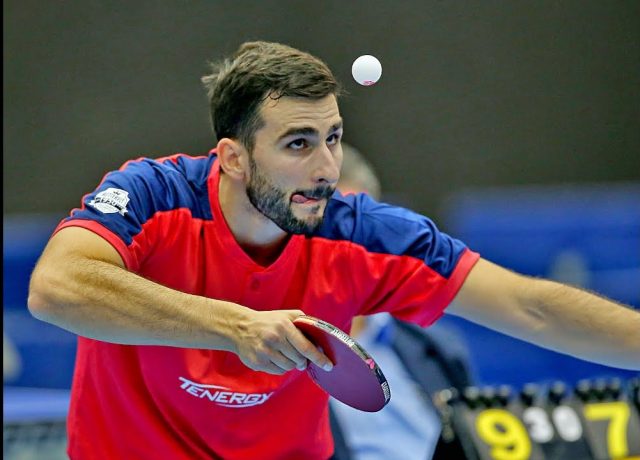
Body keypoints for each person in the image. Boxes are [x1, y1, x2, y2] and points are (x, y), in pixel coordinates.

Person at [27, 41, 639, 460]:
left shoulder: (364, 234)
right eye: (298, 144)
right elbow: (57, 288)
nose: (325, 167)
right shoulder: (153, 195)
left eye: (333, 138)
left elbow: (531, 306)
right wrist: (235, 327)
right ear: (233, 157)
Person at [330, 143, 474, 460]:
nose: (346, 245)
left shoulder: (439, 350)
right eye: (329, 228)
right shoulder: (269, 352)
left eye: (360, 227)